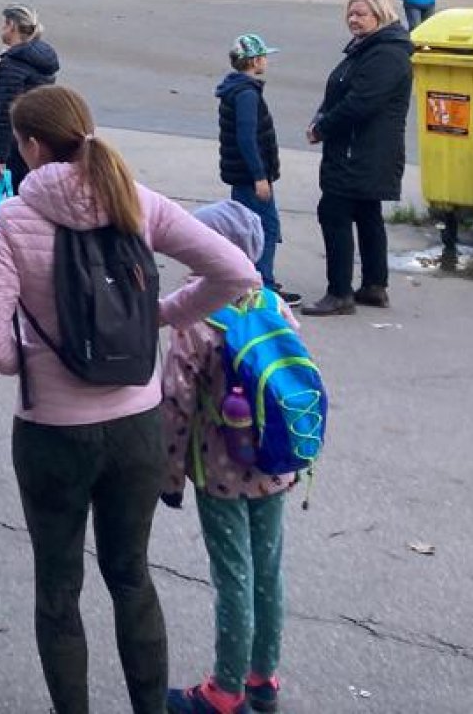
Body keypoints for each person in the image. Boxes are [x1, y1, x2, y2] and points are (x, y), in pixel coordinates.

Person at [0, 86, 258, 714]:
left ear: (33, 146)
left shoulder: (14, 219)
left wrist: (33, 361)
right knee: (132, 577)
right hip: (136, 428)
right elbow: (238, 272)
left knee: (58, 590)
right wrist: (161, 316)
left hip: (50, 433)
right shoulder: (135, 199)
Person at [160, 201, 300, 714]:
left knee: (233, 576)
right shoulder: (274, 305)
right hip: (275, 465)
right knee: (268, 570)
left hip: (219, 472)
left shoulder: (196, 318)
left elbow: (176, 404)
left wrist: (169, 475)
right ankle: (263, 678)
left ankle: (225, 689)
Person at [302, 0, 414, 317]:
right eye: (350, 14)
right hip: (363, 149)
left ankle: (339, 293)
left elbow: (360, 103)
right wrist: (320, 118)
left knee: (334, 213)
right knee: (366, 213)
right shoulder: (366, 49)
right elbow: (340, 92)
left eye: (361, 14)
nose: (353, 19)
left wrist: (323, 128)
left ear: (380, 15)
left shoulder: (386, 54)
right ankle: (374, 286)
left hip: (361, 151)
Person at [215, 34, 297, 303]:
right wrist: (260, 176)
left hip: (241, 174)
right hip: (250, 176)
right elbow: (247, 137)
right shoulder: (247, 94)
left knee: (248, 227)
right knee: (264, 228)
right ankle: (263, 286)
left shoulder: (235, 89)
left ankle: (251, 281)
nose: (266, 61)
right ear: (254, 61)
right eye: (264, 57)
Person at [0, 3, 60, 196]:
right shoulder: (41, 61)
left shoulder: (13, 64)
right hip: (29, 143)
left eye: (5, 24)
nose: (2, 28)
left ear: (12, 26)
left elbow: (6, 112)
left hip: (8, 148)